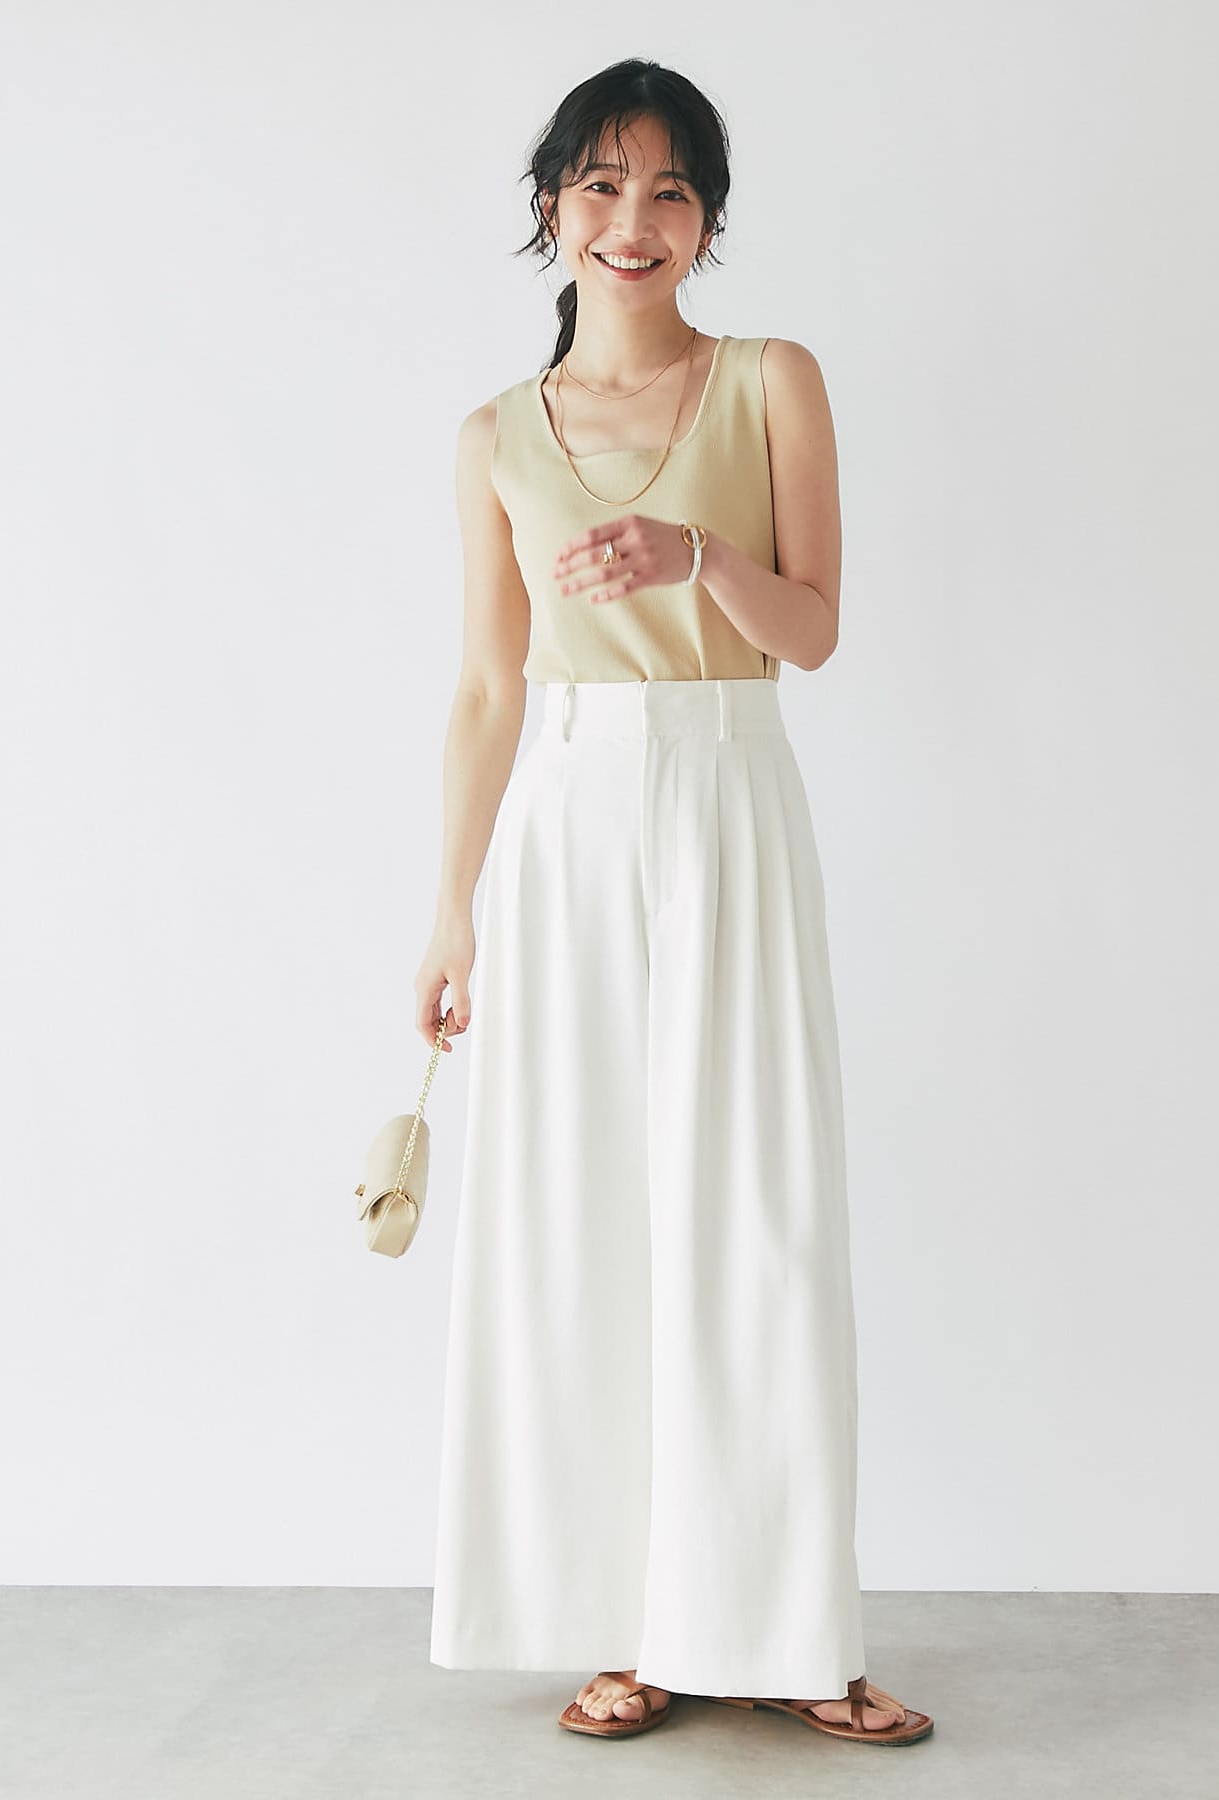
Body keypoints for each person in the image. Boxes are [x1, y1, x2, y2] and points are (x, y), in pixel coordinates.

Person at [416, 58, 933, 1749]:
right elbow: (487, 690)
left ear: (708, 220)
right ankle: (626, 1626)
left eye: (670, 192)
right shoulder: (496, 434)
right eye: (600, 186)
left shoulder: (772, 379)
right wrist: (450, 913)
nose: (632, 222)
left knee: (757, 1209)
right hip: (562, 820)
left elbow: (817, 630)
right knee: (577, 1213)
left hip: (726, 790)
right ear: (551, 206)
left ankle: (789, 1632)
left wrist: (695, 558)